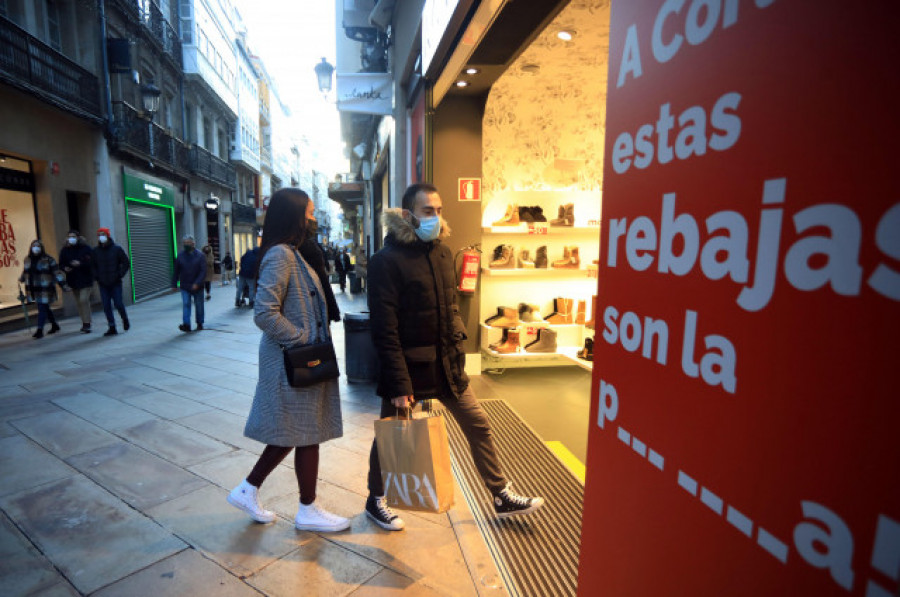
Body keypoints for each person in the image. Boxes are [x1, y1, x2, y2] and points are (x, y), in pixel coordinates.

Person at [363, 183, 545, 531]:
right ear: (407, 215)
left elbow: (449, 310)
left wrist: (459, 353)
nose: (436, 217)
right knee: (391, 436)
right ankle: (375, 499)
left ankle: (500, 493)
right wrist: (400, 384)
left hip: (446, 367)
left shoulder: (443, 254)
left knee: (478, 423)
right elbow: (385, 330)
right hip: (408, 369)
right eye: (428, 211)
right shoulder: (385, 263)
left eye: (439, 210)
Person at [227, 187, 348, 533]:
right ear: (295, 216)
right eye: (309, 213)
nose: (313, 218)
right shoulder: (281, 255)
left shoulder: (292, 252)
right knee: (298, 431)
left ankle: (254, 491)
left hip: (299, 358)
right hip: (291, 359)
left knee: (302, 431)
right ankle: (300, 506)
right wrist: (301, 340)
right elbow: (264, 312)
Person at [19, 240, 65, 339]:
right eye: (34, 246)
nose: (36, 248)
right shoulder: (27, 259)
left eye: (38, 246)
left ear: (41, 248)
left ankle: (39, 330)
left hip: (45, 288)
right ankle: (54, 325)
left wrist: (63, 285)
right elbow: (26, 271)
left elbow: (56, 273)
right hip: (33, 288)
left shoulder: (48, 259)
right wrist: (22, 278)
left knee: (42, 308)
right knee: (45, 307)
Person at [92, 227, 130, 336]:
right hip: (103, 283)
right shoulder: (96, 251)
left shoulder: (116, 249)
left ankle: (124, 318)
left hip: (115, 282)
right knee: (106, 306)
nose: (101, 237)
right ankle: (112, 326)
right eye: (99, 235)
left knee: (118, 303)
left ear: (108, 236)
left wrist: (119, 275)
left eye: (103, 234)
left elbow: (126, 263)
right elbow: (92, 266)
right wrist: (96, 276)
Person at [58, 230, 94, 333]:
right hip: (73, 279)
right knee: (79, 303)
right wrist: (65, 268)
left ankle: (87, 323)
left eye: (73, 236)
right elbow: (61, 264)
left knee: (83, 300)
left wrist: (80, 264)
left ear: (78, 237)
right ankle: (84, 323)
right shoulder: (65, 250)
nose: (71, 238)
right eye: (69, 237)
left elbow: (92, 262)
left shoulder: (86, 249)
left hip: (86, 279)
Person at [173, 235, 206, 332]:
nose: (186, 245)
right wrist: (174, 283)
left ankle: (200, 322)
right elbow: (176, 271)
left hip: (198, 286)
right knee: (186, 304)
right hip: (185, 285)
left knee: (199, 305)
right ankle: (186, 324)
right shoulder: (180, 256)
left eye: (188, 243)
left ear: (193, 243)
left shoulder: (200, 255)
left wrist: (197, 283)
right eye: (184, 243)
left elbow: (203, 271)